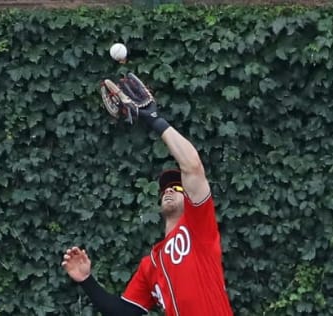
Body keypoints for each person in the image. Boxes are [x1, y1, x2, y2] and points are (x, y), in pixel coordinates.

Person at [62, 73, 233, 316]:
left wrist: (154, 119)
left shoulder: (198, 229)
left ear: (190, 199)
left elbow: (192, 167)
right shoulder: (152, 262)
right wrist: (86, 280)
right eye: (166, 189)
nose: (171, 190)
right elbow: (124, 312)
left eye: (178, 187)